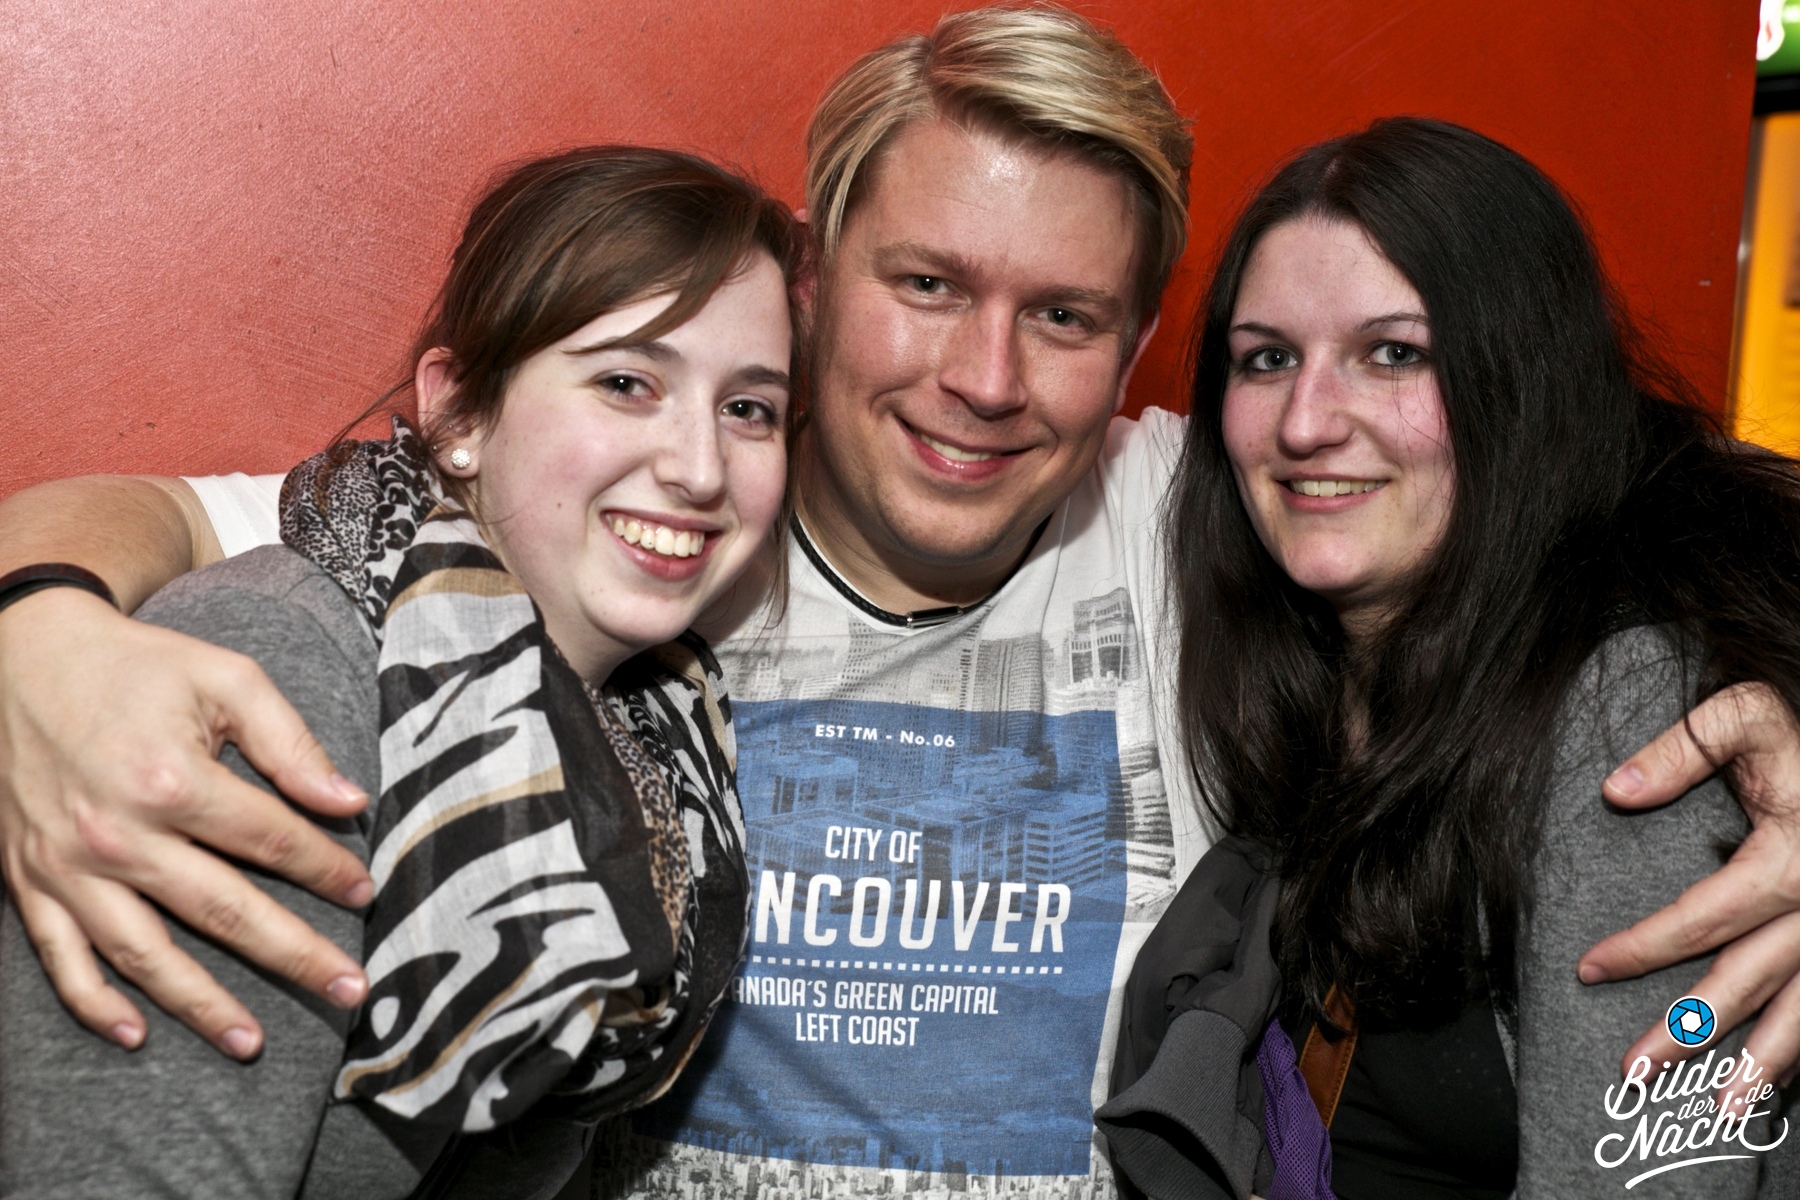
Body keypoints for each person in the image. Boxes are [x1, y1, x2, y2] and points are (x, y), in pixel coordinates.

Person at [2, 8, 1800, 1198]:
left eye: (1066, 317)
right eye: (927, 284)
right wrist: (42, 629)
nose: (984, 381)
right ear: (815, 277)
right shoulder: (642, 520)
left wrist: (1771, 699)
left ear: (1137, 351)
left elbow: (1567, 491)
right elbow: (177, 524)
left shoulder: (1205, 511)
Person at [1, 145, 800, 1199]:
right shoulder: (279, 669)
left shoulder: (649, 725)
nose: (700, 467)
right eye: (626, 382)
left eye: (749, 409)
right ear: (459, 414)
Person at [1100, 118, 1800, 1199]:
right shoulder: (1315, 670)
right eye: (1267, 358)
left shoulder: (1629, 721)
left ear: (1517, 380)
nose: (1305, 423)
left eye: (1395, 353)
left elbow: (1647, 1161)